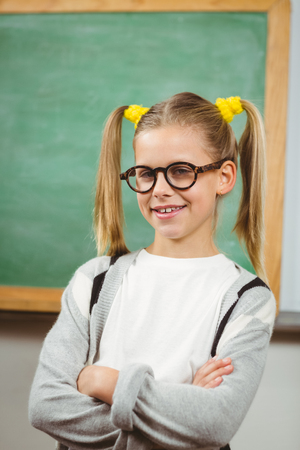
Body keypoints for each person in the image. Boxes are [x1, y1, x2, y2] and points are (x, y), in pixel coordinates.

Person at [29, 92, 276, 450]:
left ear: (224, 177)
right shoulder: (94, 281)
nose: (159, 190)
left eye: (180, 171)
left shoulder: (247, 299)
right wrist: (178, 406)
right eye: (146, 173)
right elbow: (45, 407)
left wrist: (103, 382)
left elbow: (214, 422)